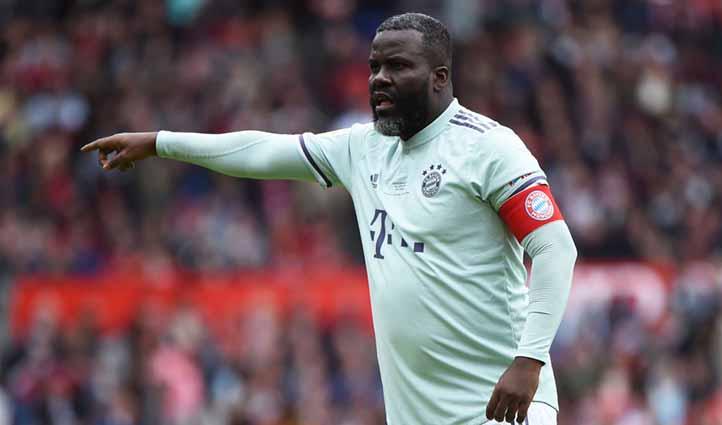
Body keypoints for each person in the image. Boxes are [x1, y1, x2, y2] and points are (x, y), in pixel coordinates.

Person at [81, 12, 576, 425]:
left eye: (397, 66)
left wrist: (529, 360)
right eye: (374, 66)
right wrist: (160, 142)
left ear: (438, 78)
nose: (379, 78)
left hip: (505, 405)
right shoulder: (364, 149)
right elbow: (261, 151)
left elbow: (555, 249)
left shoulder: (488, 147)